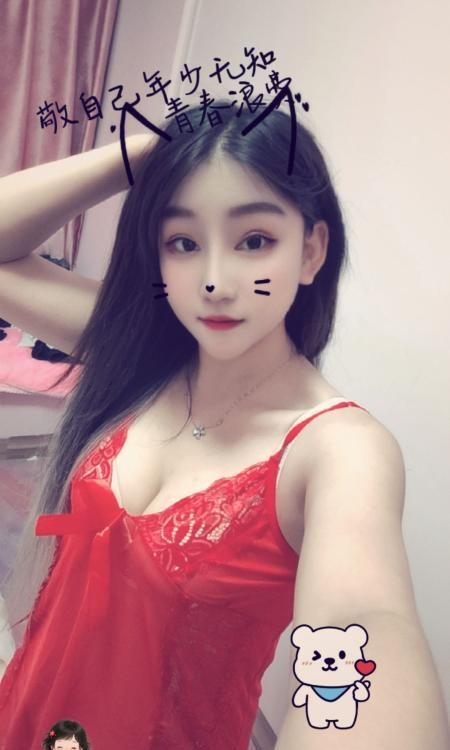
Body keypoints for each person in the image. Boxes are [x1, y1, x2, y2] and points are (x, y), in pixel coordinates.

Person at [0, 101, 447, 750]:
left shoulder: (339, 449)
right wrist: (150, 151)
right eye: (183, 243)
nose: (214, 282)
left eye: (254, 241)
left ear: (311, 251)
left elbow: (367, 621)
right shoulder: (142, 355)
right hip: (30, 715)